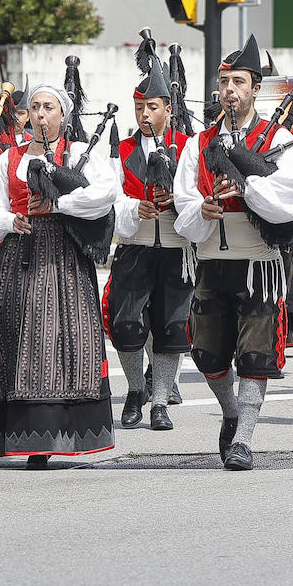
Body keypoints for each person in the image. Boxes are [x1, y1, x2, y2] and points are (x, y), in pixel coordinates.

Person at [173, 35, 293, 470]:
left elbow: (292, 196)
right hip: (213, 261)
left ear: (254, 88)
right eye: (225, 82)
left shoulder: (278, 138)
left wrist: (248, 188)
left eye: (238, 82)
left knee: (255, 356)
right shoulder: (198, 144)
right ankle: (231, 412)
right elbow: (181, 202)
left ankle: (244, 440)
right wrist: (203, 209)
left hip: (259, 266)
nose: (229, 90)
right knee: (208, 356)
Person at [0, 82, 119, 469]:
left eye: (48, 107)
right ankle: (26, 436)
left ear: (63, 116)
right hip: (21, 255)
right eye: (34, 107)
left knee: (66, 340)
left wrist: (61, 202)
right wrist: (9, 219)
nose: (39, 114)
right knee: (18, 338)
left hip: (66, 257)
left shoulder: (80, 155)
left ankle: (63, 433)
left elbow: (105, 194)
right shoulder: (8, 159)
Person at [105, 63, 192, 432]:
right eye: (139, 107)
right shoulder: (120, 149)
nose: (144, 114)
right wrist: (130, 207)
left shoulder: (187, 147)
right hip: (134, 246)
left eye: (153, 107)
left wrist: (177, 201)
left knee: (171, 328)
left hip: (176, 248)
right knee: (125, 325)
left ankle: (159, 402)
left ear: (169, 109)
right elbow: (109, 197)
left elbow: (196, 191)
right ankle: (135, 388)